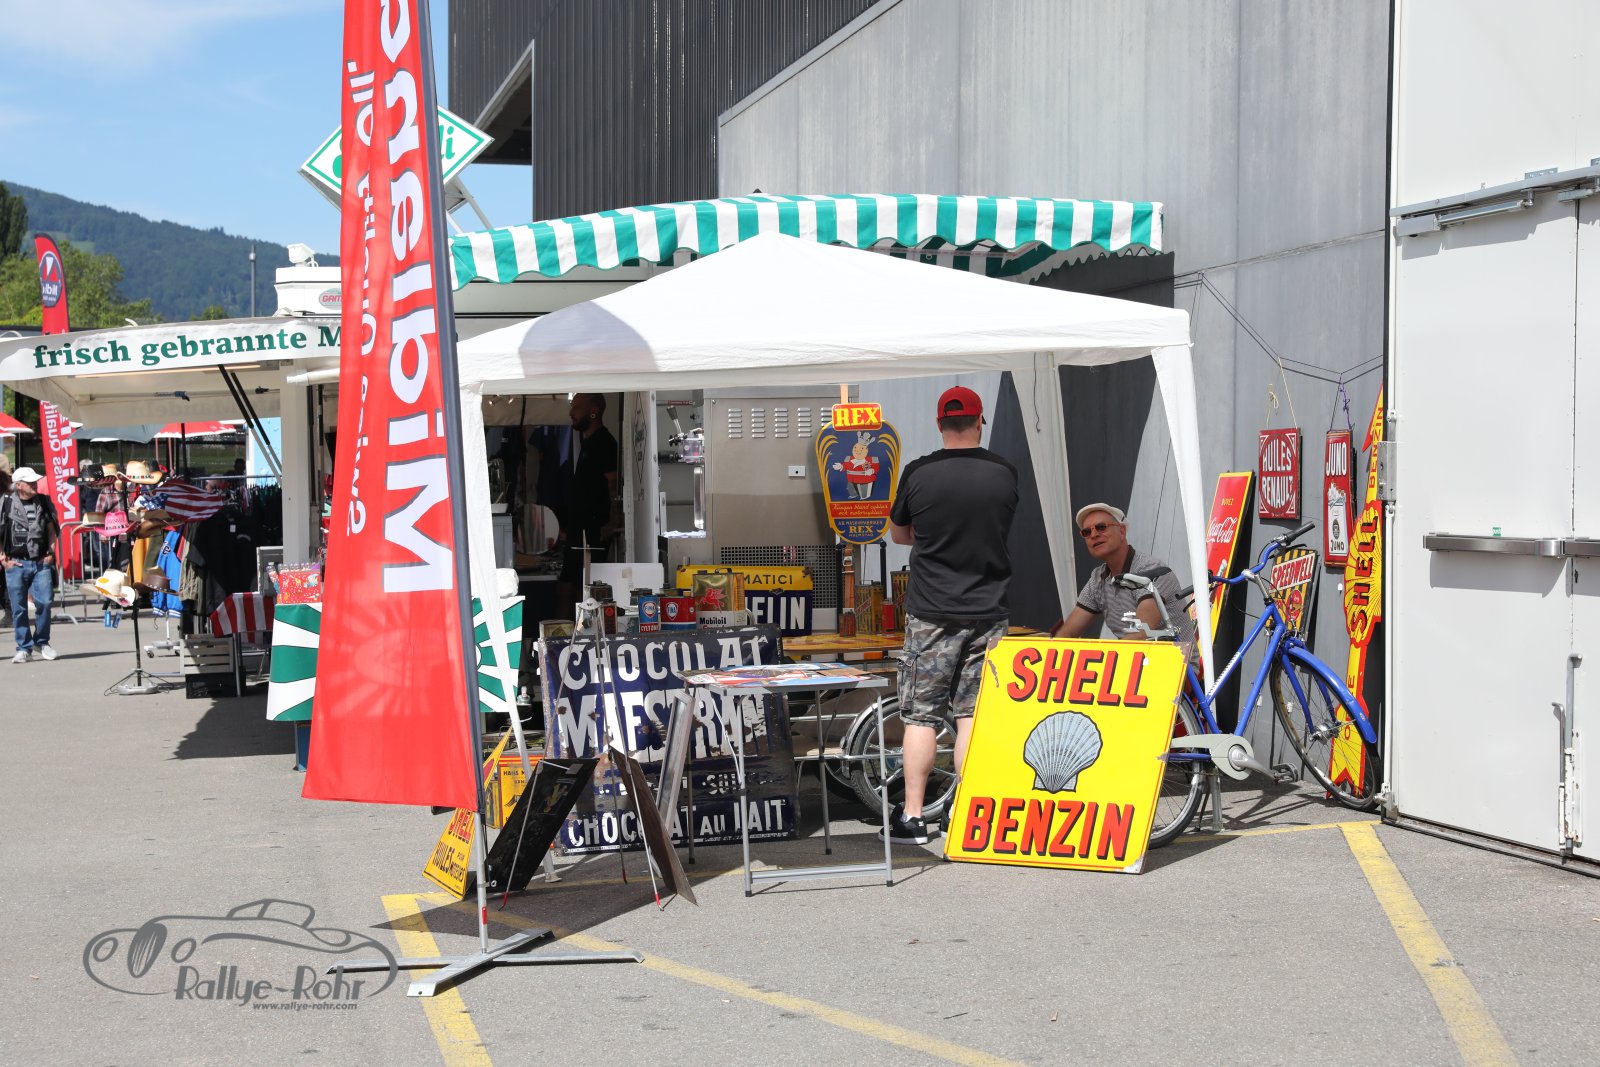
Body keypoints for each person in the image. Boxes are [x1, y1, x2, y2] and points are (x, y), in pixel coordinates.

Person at [883, 386, 1018, 845]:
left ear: (939, 424)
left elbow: (900, 535)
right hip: (989, 611)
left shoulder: (918, 473)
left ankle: (913, 816)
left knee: (922, 717)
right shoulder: (1004, 473)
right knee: (972, 715)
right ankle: (967, 814)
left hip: (932, 612)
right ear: (980, 421)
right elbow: (998, 528)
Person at [1051, 503, 1197, 659]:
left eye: (1101, 527)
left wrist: (1101, 659)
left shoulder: (1151, 570)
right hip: (1135, 662)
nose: (1093, 535)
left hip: (1176, 665)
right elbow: (1067, 633)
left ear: (1122, 530)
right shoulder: (1097, 579)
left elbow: (1142, 633)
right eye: (1086, 532)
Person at [556, 393, 620, 613]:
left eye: (577, 408)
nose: (571, 413)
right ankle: (565, 631)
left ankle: (581, 630)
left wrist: (613, 521)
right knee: (569, 584)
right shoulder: (587, 443)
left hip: (593, 529)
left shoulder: (605, 442)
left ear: (593, 411)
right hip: (578, 528)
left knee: (581, 587)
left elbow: (613, 484)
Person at [0, 467, 61, 663]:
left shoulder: (43, 501)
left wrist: (50, 553)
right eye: (30, 482)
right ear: (19, 485)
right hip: (15, 562)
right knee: (19, 608)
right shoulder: (5, 503)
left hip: (40, 561)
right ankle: (23, 647)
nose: (35, 485)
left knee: (45, 602)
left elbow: (52, 530)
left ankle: (41, 642)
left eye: (35, 481)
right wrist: (3, 559)